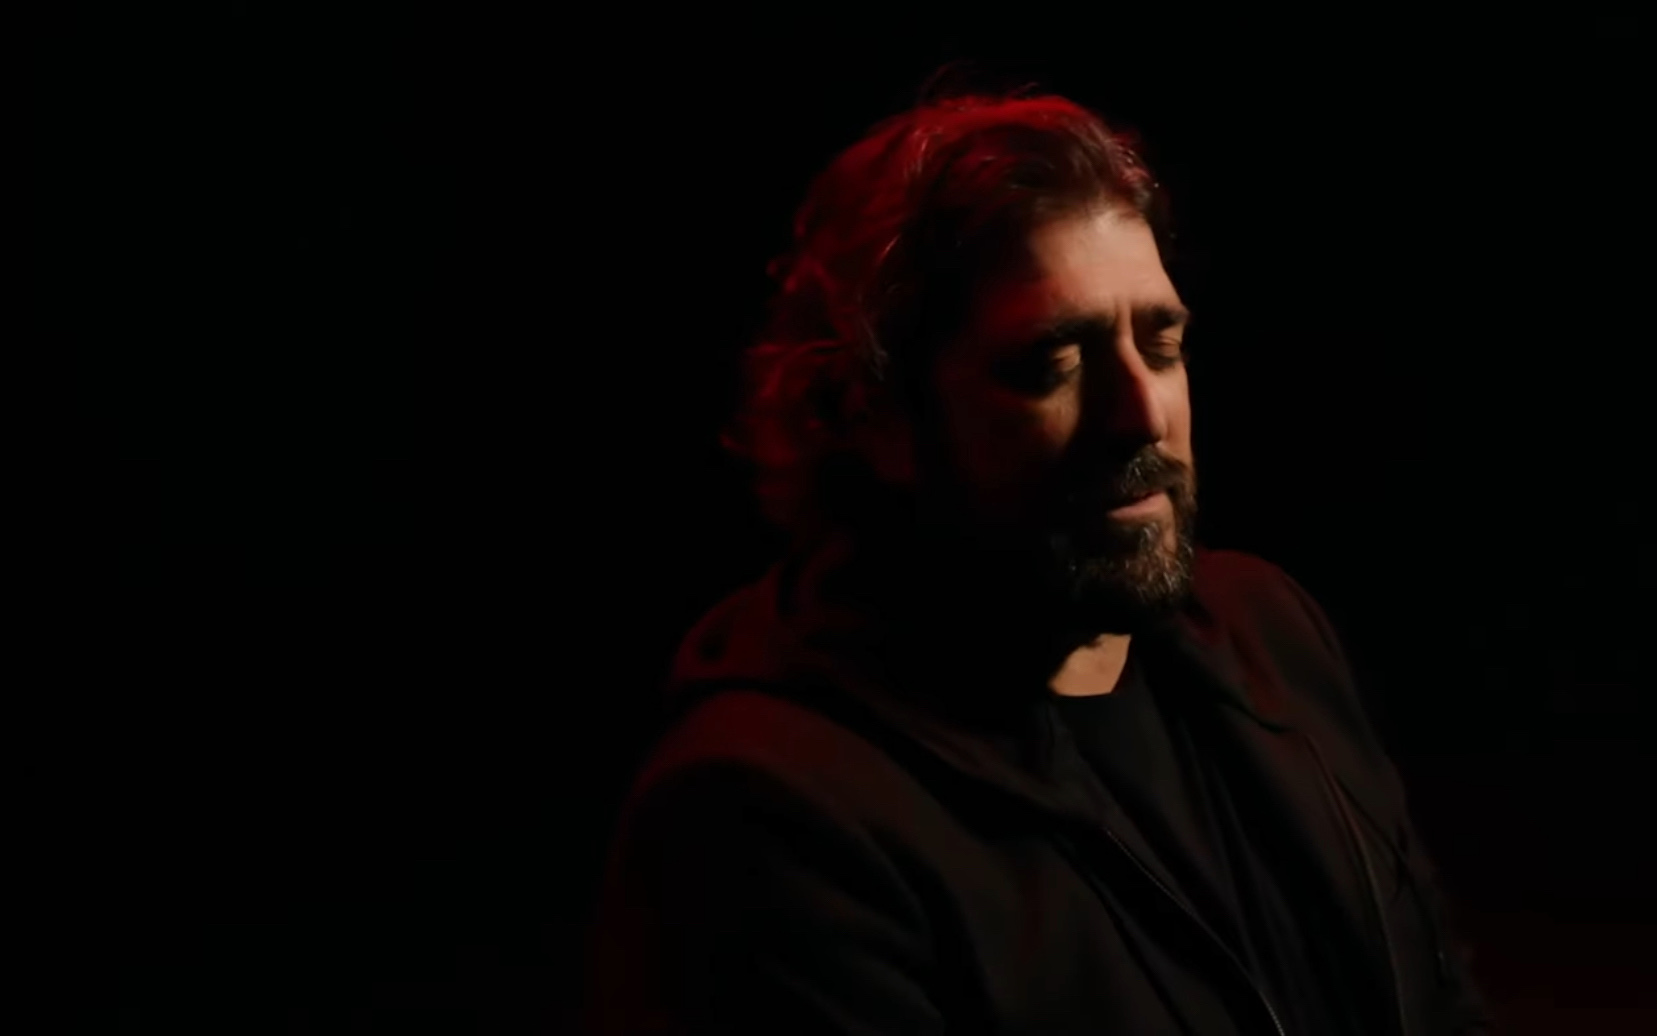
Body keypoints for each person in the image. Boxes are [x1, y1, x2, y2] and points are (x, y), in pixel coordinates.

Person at [584, 87, 1498, 1036]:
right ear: (874, 415)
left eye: (1161, 344)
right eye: (1051, 364)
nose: (1142, 413)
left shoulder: (1272, 635)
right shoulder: (771, 814)